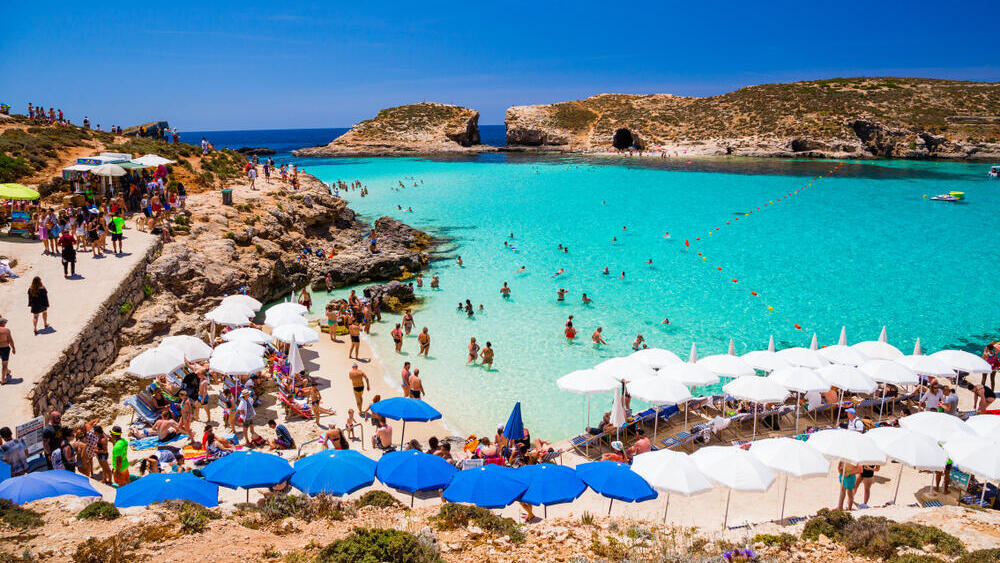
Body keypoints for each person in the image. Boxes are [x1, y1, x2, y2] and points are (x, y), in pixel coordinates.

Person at [0, 318, 14, 384]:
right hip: (4, 348)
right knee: (4, 364)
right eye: (5, 323)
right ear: (2, 323)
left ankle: (7, 371)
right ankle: (3, 380)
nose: (5, 324)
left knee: (3, 363)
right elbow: (10, 340)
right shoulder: (6, 330)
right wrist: (13, 348)